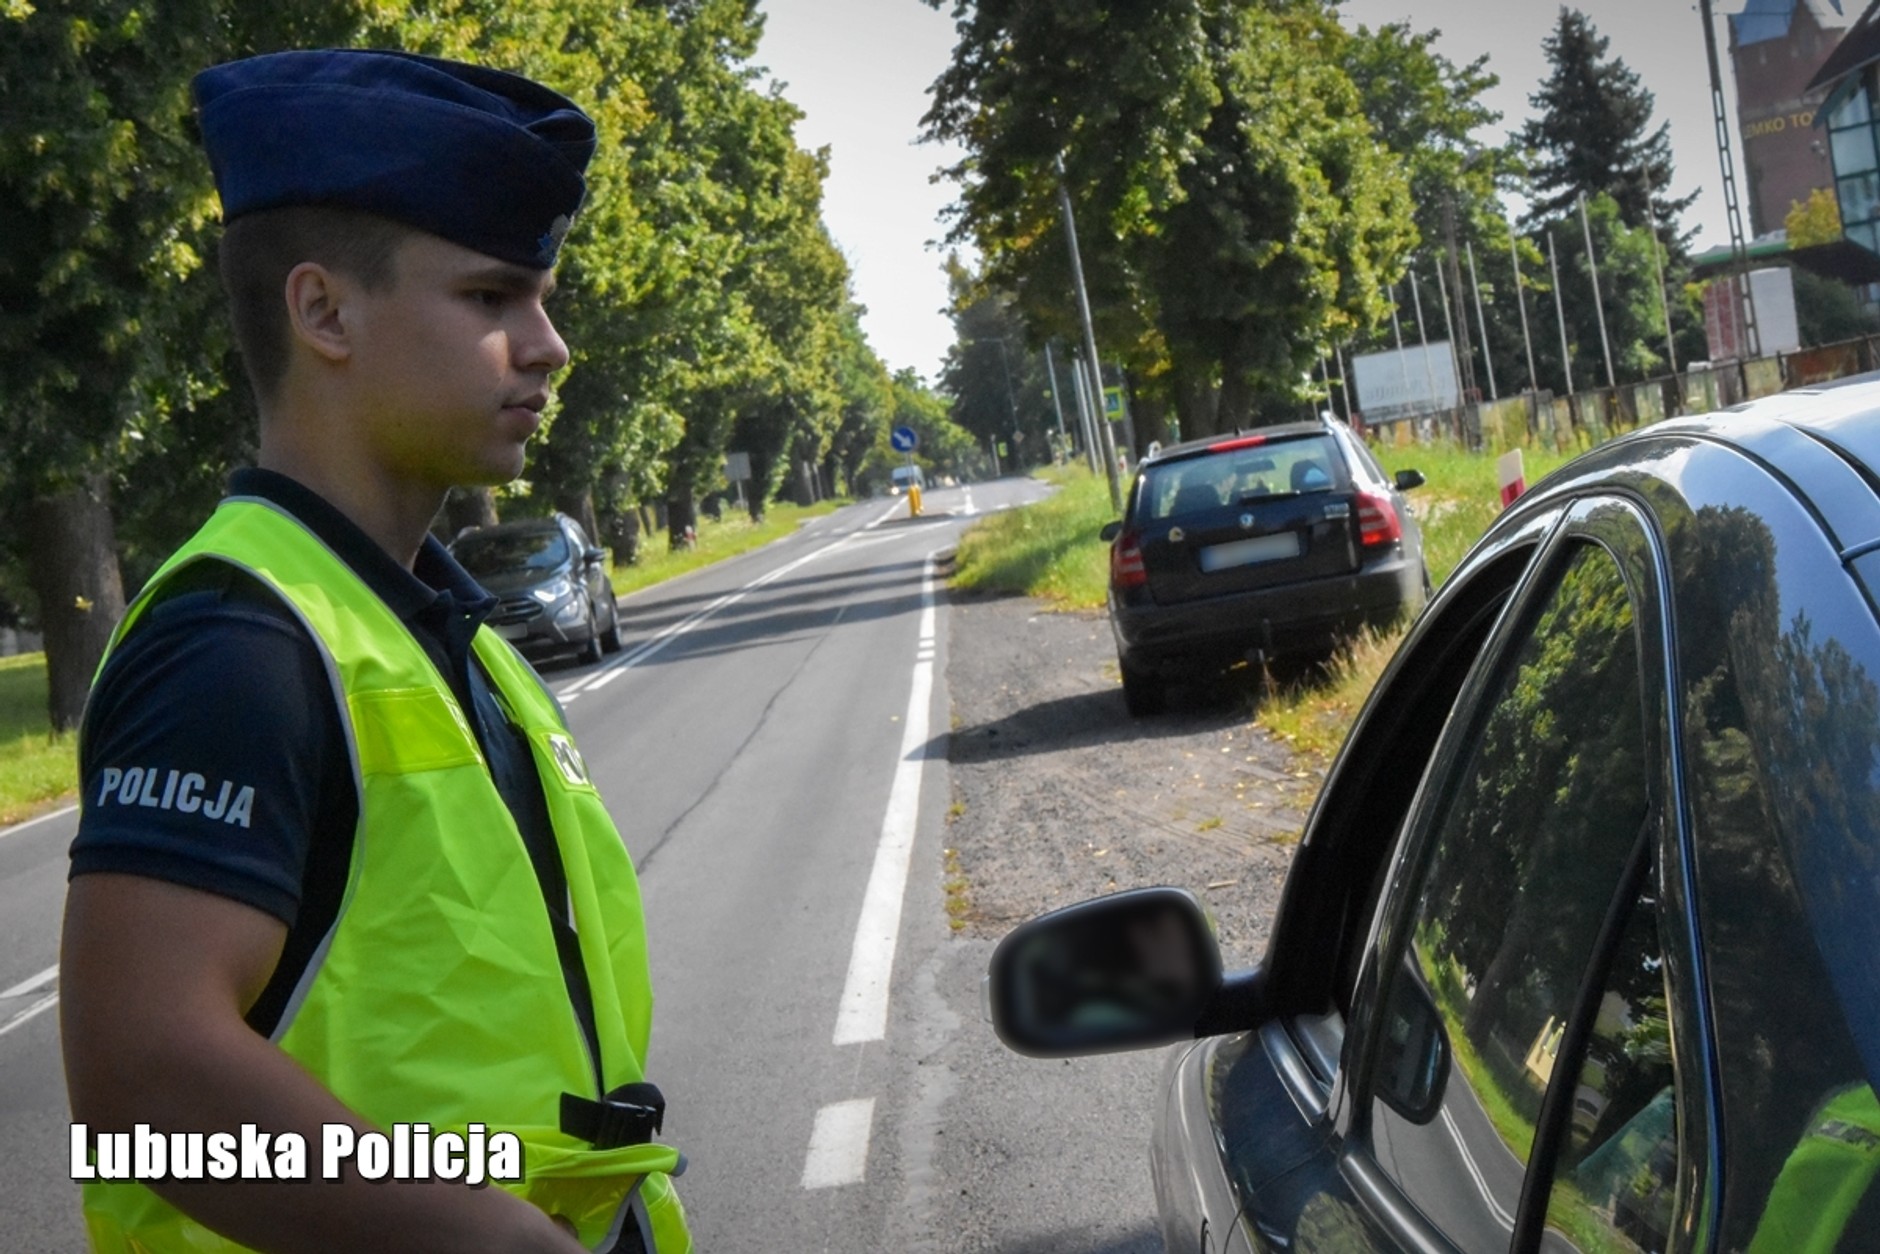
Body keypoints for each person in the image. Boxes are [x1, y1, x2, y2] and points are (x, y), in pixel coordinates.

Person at [60, 50, 689, 1253]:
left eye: (541, 300)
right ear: (324, 313)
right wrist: (488, 1238)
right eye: (493, 298)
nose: (548, 346)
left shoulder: (440, 631)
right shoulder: (238, 641)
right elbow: (144, 1091)